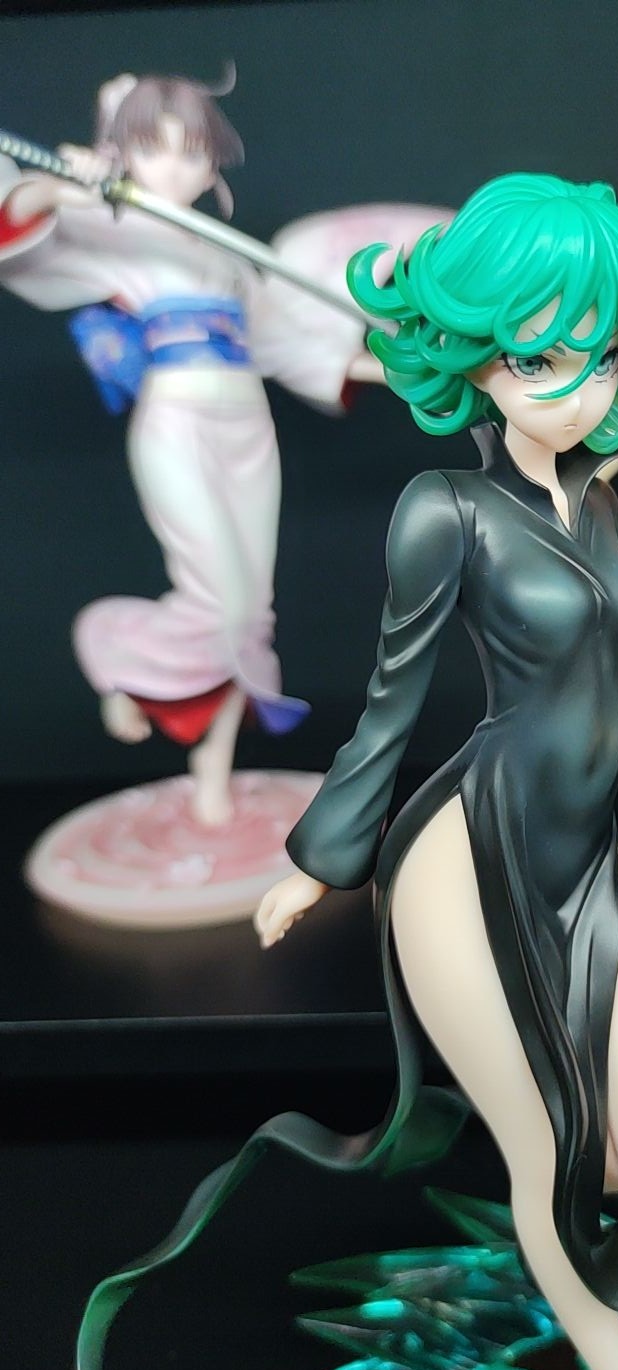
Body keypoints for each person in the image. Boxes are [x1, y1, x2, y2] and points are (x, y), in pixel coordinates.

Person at [253, 158, 618, 1370]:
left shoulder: (595, 500)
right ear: (475, 357)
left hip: (587, 852)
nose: (580, 388)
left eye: (602, 358)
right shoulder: (443, 508)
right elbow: (389, 702)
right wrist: (320, 862)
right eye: (543, 359)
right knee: (554, 1160)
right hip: (469, 861)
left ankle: (560, 1188)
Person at [0, 69, 369, 824]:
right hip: (178, 425)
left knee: (252, 611)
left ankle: (213, 774)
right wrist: (64, 190)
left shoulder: (229, 258)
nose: (175, 168)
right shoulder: (112, 228)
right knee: (221, 597)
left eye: (193, 152)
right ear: (122, 154)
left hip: (249, 430)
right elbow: (19, 217)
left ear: (212, 165)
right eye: (154, 149)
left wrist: (412, 369)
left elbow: (292, 348)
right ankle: (120, 660)